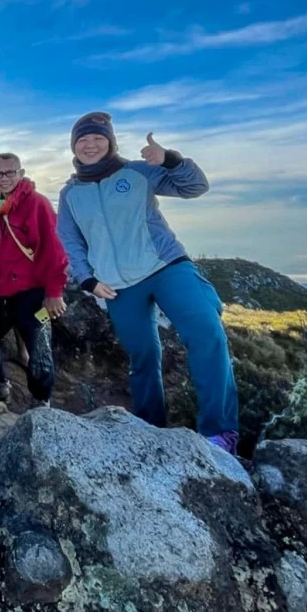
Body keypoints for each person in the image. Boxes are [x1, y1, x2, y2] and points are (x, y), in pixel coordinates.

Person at [56, 111, 240, 453]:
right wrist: (87, 280)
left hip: (166, 266)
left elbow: (195, 187)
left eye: (97, 138)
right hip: (117, 285)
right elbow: (70, 240)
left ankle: (219, 433)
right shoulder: (70, 195)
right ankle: (150, 428)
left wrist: (170, 160)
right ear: (74, 147)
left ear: (110, 142)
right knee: (143, 356)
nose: (90, 144)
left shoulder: (138, 172)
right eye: (82, 140)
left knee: (207, 333)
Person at [0, 153, 67, 406]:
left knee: (38, 349)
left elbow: (54, 249)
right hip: (2, 287)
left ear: (21, 173)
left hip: (32, 291)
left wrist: (54, 292)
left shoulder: (37, 204)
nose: (3, 178)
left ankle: (42, 403)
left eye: (9, 172)